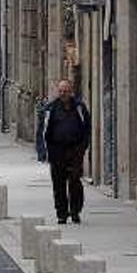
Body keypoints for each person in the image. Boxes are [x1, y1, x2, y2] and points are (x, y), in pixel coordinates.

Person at [41, 79, 90, 224]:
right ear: (58, 91)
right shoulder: (51, 108)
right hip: (56, 150)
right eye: (61, 91)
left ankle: (75, 211)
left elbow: (87, 128)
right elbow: (43, 131)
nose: (63, 94)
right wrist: (44, 152)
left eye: (66, 91)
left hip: (75, 150)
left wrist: (83, 147)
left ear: (71, 92)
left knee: (75, 181)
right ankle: (61, 214)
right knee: (58, 183)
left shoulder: (80, 107)